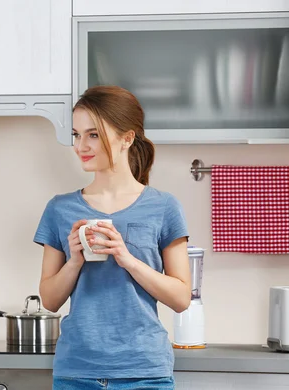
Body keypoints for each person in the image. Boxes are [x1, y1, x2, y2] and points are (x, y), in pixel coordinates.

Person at [33, 85, 192, 390]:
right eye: (77, 135)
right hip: (76, 372)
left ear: (127, 138)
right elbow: (50, 300)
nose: (82, 145)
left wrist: (127, 259)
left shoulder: (164, 207)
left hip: (145, 373)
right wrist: (74, 261)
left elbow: (181, 298)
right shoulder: (59, 209)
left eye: (93, 134)